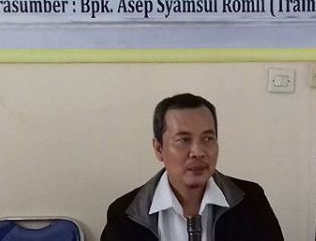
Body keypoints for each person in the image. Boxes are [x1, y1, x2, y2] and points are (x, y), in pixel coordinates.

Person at [101, 93, 284, 241]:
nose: (198, 152)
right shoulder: (125, 214)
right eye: (183, 140)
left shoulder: (250, 201)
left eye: (208, 138)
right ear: (159, 149)